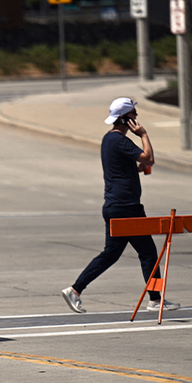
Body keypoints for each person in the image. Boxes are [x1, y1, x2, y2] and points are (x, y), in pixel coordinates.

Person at [61, 97, 178, 314]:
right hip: (127, 207)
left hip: (116, 205)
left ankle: (75, 290)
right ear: (124, 119)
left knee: (113, 254)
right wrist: (143, 135)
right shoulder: (121, 140)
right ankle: (154, 300)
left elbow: (125, 168)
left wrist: (137, 171)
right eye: (133, 114)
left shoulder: (109, 139)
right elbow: (149, 158)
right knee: (148, 253)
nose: (136, 117)